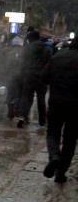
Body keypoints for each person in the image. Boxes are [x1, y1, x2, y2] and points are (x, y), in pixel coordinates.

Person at [41, 39, 78, 183]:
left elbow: (44, 77)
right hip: (75, 106)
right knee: (70, 139)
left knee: (52, 133)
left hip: (56, 102)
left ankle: (54, 156)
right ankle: (60, 173)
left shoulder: (58, 56)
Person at [17, 30, 51, 128]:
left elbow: (21, 63)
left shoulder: (26, 49)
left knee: (26, 97)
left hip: (28, 76)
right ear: (38, 37)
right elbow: (49, 64)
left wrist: (21, 74)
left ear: (29, 39)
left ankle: (22, 117)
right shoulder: (47, 49)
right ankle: (42, 121)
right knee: (41, 99)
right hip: (42, 78)